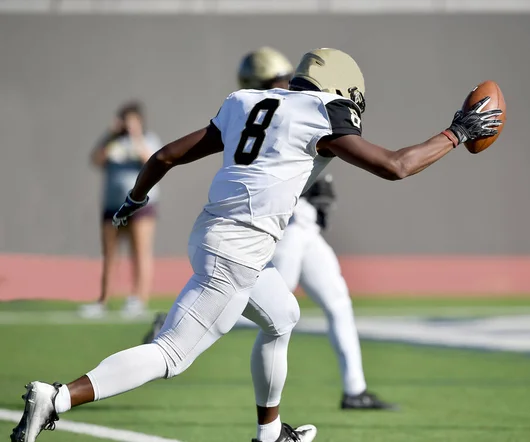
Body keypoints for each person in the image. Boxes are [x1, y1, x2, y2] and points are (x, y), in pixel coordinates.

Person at [11, 48, 502, 442]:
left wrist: (134, 199)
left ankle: (271, 434)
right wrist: (456, 132)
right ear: (341, 91)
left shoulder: (245, 102)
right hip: (239, 250)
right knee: (171, 355)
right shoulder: (323, 113)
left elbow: (164, 155)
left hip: (211, 234)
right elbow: (396, 165)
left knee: (282, 317)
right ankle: (56, 398)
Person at [143, 47, 395, 410]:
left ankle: (354, 388)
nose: (283, 86)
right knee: (266, 307)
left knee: (331, 302)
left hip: (302, 224)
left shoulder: (268, 103)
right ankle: (180, 320)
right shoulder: (297, 106)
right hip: (277, 224)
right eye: (274, 81)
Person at [81, 102, 161, 318]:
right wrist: (109, 134)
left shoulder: (148, 139)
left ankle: (138, 299)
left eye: (131, 120)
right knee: (109, 254)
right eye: (124, 120)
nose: (127, 124)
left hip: (140, 206)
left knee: (140, 252)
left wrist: (136, 136)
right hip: (113, 206)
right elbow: (96, 160)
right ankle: (103, 300)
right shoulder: (112, 143)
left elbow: (151, 161)